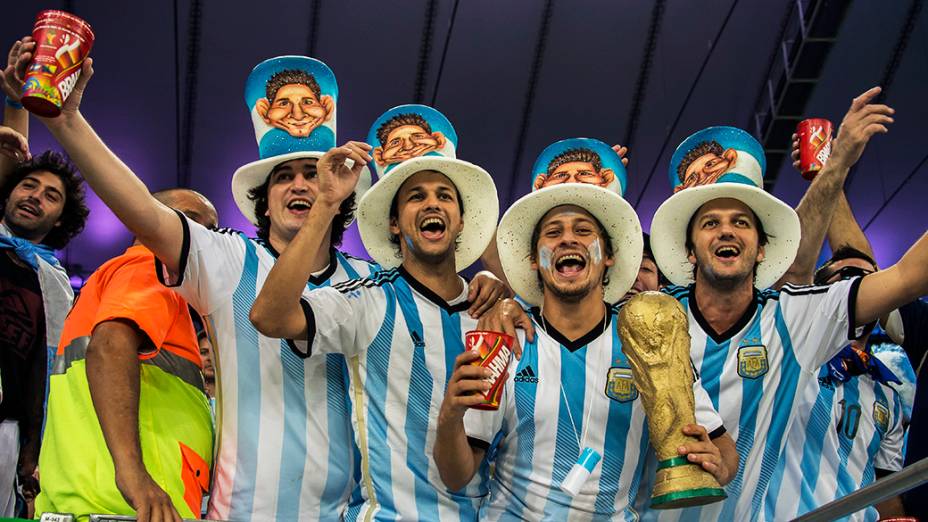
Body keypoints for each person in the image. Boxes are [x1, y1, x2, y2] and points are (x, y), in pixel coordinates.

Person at [434, 138, 738, 519]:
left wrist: (716, 465)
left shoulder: (646, 342)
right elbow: (457, 474)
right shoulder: (504, 340)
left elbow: (725, 452)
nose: (567, 239)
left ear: (608, 256)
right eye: (553, 232)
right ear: (534, 259)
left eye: (583, 230)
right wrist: (449, 416)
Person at [648, 115, 927, 521]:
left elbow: (906, 277)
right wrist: (516, 308)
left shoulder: (795, 317)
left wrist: (839, 163)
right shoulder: (647, 315)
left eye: (741, 223)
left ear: (762, 248)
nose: (726, 231)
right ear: (689, 250)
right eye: (710, 223)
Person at [249, 104, 504, 521]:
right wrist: (326, 203)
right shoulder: (366, 298)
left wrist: (505, 289)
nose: (430, 204)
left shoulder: (491, 312)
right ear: (393, 224)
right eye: (415, 197)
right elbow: (269, 317)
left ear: (460, 221)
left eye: (444, 196)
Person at [35, 189, 217, 522]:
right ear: (146, 222)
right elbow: (110, 346)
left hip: (96, 503)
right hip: (129, 508)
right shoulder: (151, 265)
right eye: (190, 221)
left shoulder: (122, 279)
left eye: (211, 230)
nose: (203, 238)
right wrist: (133, 475)